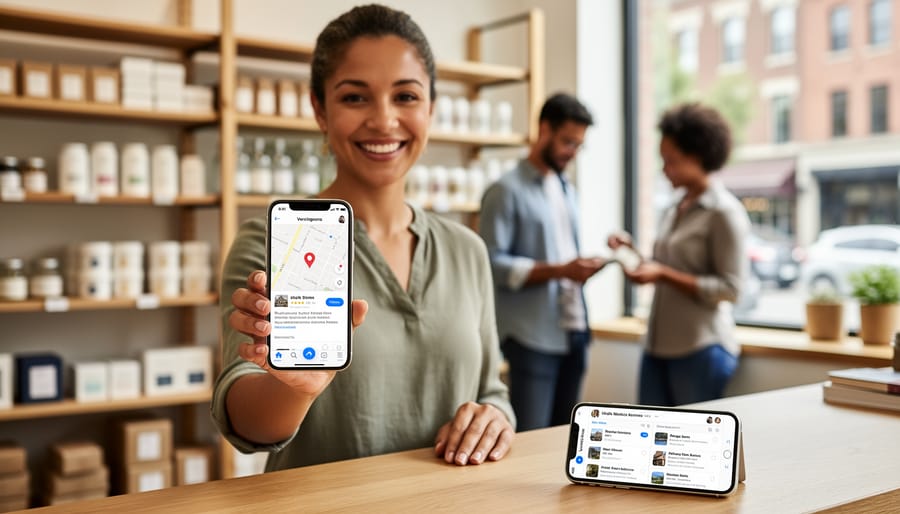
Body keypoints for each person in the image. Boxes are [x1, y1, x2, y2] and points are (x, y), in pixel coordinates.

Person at [211, 4, 515, 471]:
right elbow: (246, 425)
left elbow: (491, 389)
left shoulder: (465, 249)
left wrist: (494, 417)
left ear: (431, 107)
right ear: (320, 110)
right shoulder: (271, 241)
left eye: (406, 97)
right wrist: (292, 387)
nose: (384, 120)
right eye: (355, 98)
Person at [479, 93, 607, 431]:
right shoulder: (505, 191)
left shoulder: (567, 190)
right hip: (532, 337)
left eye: (579, 145)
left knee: (566, 438)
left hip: (574, 330)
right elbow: (490, 264)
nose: (572, 153)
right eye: (567, 142)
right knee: (531, 437)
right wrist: (561, 270)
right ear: (544, 129)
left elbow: (564, 257)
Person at [608, 102, 750, 407]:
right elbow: (667, 265)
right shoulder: (675, 206)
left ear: (697, 158)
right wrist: (630, 252)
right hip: (657, 347)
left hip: (700, 349)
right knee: (650, 448)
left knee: (690, 450)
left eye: (670, 160)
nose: (664, 169)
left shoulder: (724, 213)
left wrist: (662, 275)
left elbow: (731, 289)